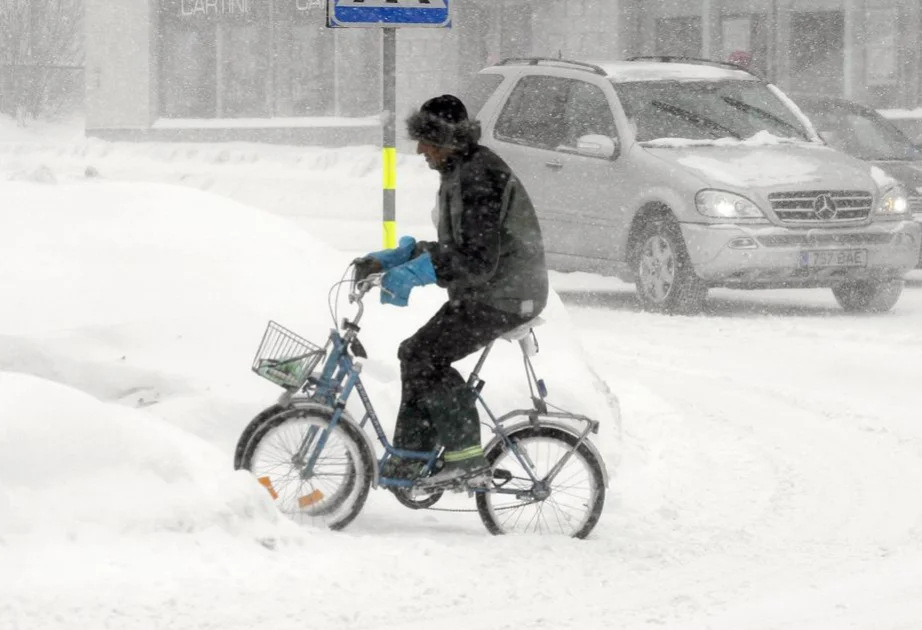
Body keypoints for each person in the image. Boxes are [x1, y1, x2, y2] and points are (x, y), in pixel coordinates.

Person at [357, 94, 548, 485]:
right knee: (416, 353)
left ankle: (465, 458)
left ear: (447, 140)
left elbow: (478, 259)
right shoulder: (460, 171)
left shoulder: (480, 175)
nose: (421, 150)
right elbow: (458, 247)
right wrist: (398, 257)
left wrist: (417, 272)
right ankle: (412, 457)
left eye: (426, 140)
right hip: (487, 292)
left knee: (425, 355)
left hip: (506, 295)